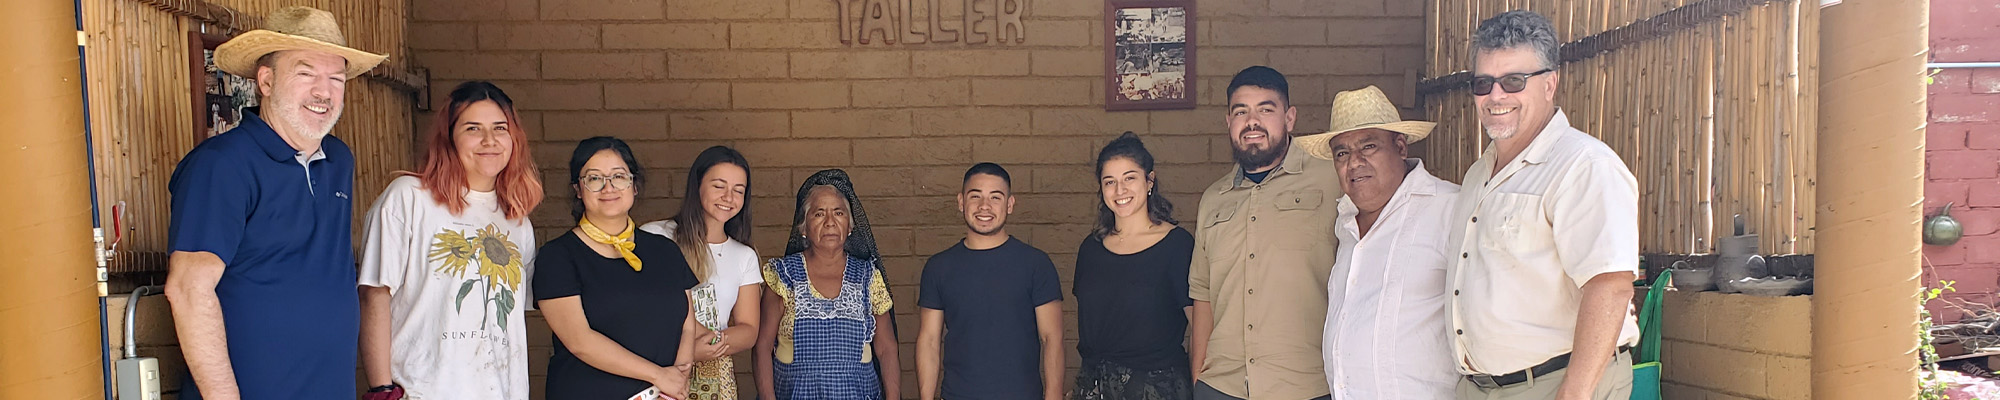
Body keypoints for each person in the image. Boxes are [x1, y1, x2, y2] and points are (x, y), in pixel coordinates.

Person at [162, 6, 385, 399]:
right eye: (306, 74)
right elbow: (188, 289)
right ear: (266, 81)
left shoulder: (338, 161)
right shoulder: (222, 166)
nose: (323, 91)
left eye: (336, 78)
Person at [1449, 10, 1641, 400]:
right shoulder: (1477, 176)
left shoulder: (1583, 166)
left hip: (1557, 385)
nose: (1496, 95)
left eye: (1514, 81)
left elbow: (1610, 286)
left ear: (1550, 83)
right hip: (1484, 388)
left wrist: (1575, 392)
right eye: (1483, 83)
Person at [356, 81, 542, 400]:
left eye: (500, 128)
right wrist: (381, 389)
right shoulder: (409, 198)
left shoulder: (517, 219)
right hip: (423, 391)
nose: (489, 140)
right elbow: (374, 296)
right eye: (473, 128)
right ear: (449, 138)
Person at [1292, 85, 1459, 399]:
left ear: (1400, 147)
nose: (1354, 162)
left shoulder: (1448, 208)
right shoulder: (1345, 224)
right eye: (1342, 153)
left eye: (1368, 147)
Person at [1189, 66, 1341, 400]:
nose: (1252, 121)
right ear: (1228, 122)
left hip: (1305, 386)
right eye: (1241, 111)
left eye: (1266, 109)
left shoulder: (1331, 179)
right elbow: (1203, 297)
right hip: (1222, 387)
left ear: (1289, 118)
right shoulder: (1213, 199)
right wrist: (1199, 377)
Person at [533, 136, 699, 399]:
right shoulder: (558, 256)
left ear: (634, 185)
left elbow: (688, 324)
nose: (608, 187)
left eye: (619, 177)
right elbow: (580, 341)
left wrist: (677, 378)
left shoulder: (665, 250)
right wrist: (659, 376)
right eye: (594, 178)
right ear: (578, 188)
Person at [917, 163, 1065, 400]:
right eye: (975, 196)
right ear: (960, 202)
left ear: (1010, 204)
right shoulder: (939, 267)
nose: (984, 206)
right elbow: (929, 341)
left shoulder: (1036, 264)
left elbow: (1052, 339)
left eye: (995, 197)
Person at [755, 169, 902, 400]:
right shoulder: (783, 276)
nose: (830, 222)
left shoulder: (868, 277)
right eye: (819, 214)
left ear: (850, 225)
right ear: (803, 227)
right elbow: (762, 346)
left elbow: (886, 348)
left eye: (839, 213)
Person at [1073, 133, 1195, 400]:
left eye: (1129, 178)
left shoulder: (1177, 245)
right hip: (1094, 386)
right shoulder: (1090, 249)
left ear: (1149, 181)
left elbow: (1200, 326)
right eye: (1110, 182)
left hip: (1156, 388)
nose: (1120, 190)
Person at [638, 146, 762, 400]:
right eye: (719, 186)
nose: (729, 197)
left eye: (738, 191)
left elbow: (749, 329)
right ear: (697, 185)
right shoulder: (656, 236)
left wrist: (711, 346)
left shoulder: (744, 255)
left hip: (716, 375)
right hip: (658, 368)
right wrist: (690, 350)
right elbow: (645, 307)